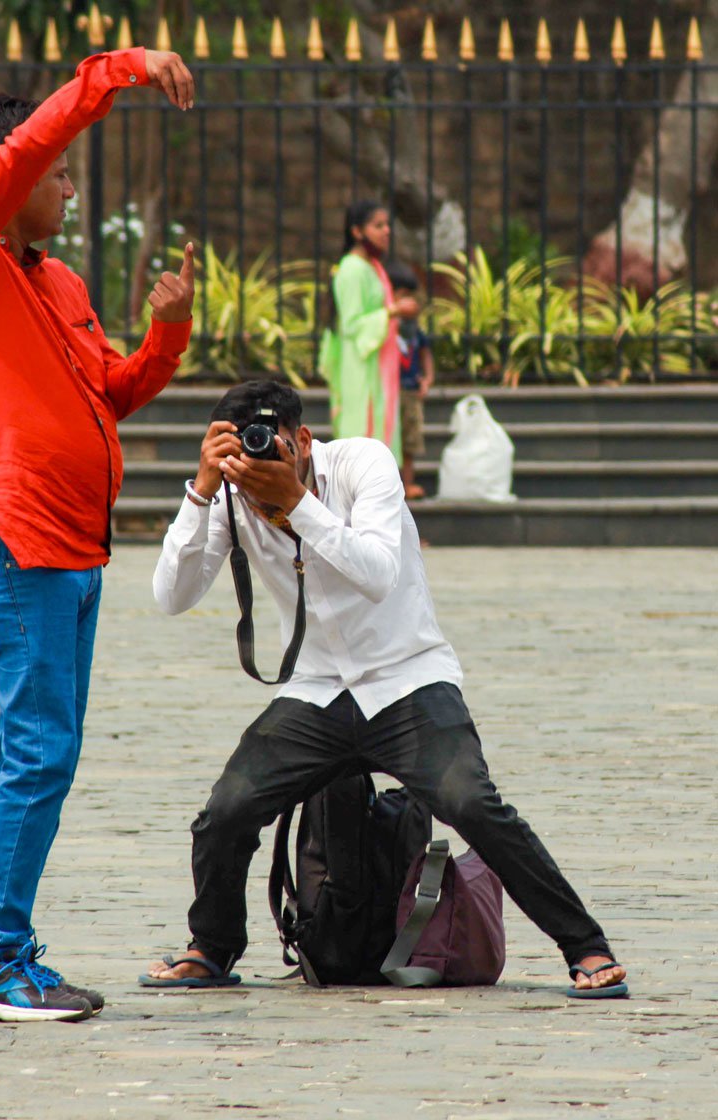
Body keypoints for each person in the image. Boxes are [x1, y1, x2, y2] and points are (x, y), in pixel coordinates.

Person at [140, 380, 629, 1000]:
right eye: (240, 451)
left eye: (270, 444)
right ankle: (211, 948)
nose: (257, 462)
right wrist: (203, 491)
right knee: (226, 812)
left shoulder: (364, 463)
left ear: (303, 440)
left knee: (474, 804)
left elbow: (377, 572)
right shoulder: (230, 497)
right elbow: (171, 596)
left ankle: (585, 947)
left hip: (407, 679)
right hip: (317, 690)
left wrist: (296, 503)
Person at [0, 46, 196, 1023]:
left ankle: (0, 950)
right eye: (60, 175)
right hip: (14, 539)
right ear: (15, 177)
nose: (69, 190)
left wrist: (167, 333)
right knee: (37, 753)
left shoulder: (63, 284)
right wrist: (118, 71)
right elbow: (30, 145)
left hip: (75, 548)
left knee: (40, 755)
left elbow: (110, 392)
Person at [319, 201, 418, 461]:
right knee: (361, 439)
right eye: (378, 225)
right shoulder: (352, 269)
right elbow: (352, 324)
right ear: (357, 231)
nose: (387, 231)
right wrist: (394, 311)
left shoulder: (372, 267)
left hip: (376, 365)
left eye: (387, 225)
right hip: (359, 368)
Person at [386, 261, 434, 501]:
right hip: (389, 391)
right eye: (402, 295)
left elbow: (425, 353)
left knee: (409, 440)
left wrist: (427, 379)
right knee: (389, 438)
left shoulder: (413, 330)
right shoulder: (385, 326)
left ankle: (407, 483)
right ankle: (390, 484)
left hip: (409, 390)